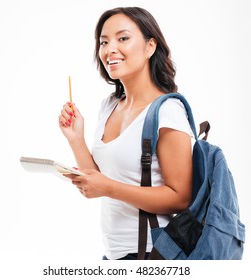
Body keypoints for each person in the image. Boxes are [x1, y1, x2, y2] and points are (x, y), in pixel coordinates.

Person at [58, 7, 194, 260]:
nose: (110, 50)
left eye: (123, 38)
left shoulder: (168, 111)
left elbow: (180, 198)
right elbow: (100, 181)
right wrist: (75, 138)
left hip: (153, 254)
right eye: (104, 42)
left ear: (150, 46)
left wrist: (108, 187)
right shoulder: (109, 105)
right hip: (114, 254)